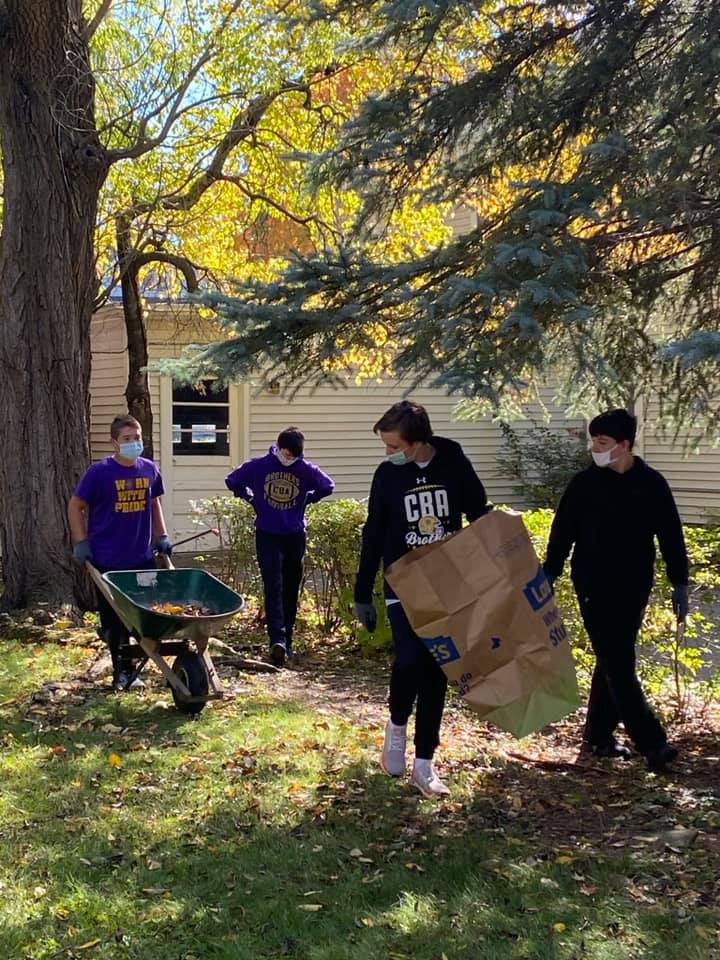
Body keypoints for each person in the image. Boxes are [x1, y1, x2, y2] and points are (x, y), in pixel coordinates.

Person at [354, 400, 489, 798]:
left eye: (394, 447)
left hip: (448, 584)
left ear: (417, 442)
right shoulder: (387, 476)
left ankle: (425, 764)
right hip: (403, 581)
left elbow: (477, 510)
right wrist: (363, 592)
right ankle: (397, 726)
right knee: (410, 660)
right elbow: (373, 532)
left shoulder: (452, 459)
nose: (388, 454)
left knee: (436, 671)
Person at [543, 408, 689, 772]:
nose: (595, 448)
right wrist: (550, 572)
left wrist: (679, 581)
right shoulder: (584, 484)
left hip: (634, 584)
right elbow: (562, 531)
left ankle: (597, 737)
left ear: (624, 445)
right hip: (592, 583)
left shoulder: (651, 484)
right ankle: (652, 743)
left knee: (615, 658)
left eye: (602, 442)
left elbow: (670, 534)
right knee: (618, 662)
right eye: (593, 441)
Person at [68, 414, 173, 691]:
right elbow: (75, 505)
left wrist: (161, 535)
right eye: (127, 439)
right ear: (114, 442)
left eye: (137, 438)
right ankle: (122, 672)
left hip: (142, 556)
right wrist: (81, 541)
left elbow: (154, 502)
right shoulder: (99, 473)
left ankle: (138, 664)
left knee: (144, 614)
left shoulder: (149, 469)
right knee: (115, 619)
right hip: (108, 559)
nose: (133, 443)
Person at [225, 427, 334, 666]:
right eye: (287, 454)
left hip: (295, 534)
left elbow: (327, 485)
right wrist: (251, 498)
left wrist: (308, 498)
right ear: (278, 448)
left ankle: (289, 641)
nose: (289, 459)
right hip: (267, 534)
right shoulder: (259, 466)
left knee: (291, 587)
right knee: (273, 584)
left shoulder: (305, 469)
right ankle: (277, 641)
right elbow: (232, 480)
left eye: (294, 456)